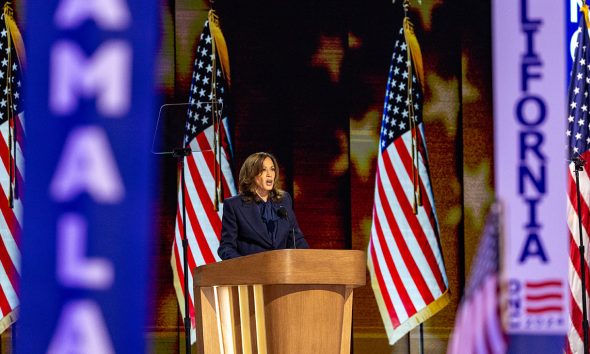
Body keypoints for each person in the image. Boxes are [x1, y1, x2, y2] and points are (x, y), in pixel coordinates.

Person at [218, 152, 309, 260]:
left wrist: (308, 260)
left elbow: (296, 239)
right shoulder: (234, 205)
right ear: (251, 174)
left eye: (272, 169)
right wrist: (245, 265)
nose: (269, 174)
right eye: (263, 170)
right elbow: (226, 248)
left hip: (282, 271)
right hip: (252, 272)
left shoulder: (284, 200)